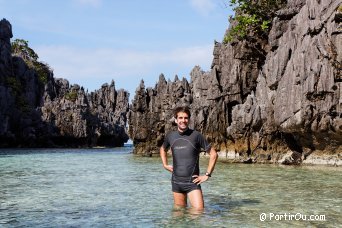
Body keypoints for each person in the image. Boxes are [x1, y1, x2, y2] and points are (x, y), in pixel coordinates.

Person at [160, 106, 218, 210]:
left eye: (186, 118)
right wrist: (165, 165)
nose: (183, 120)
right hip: (176, 182)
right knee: (179, 216)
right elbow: (162, 149)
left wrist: (207, 175)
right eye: (181, 118)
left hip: (193, 183)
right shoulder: (171, 136)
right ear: (176, 120)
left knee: (198, 212)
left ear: (189, 119)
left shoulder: (196, 136)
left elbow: (213, 154)